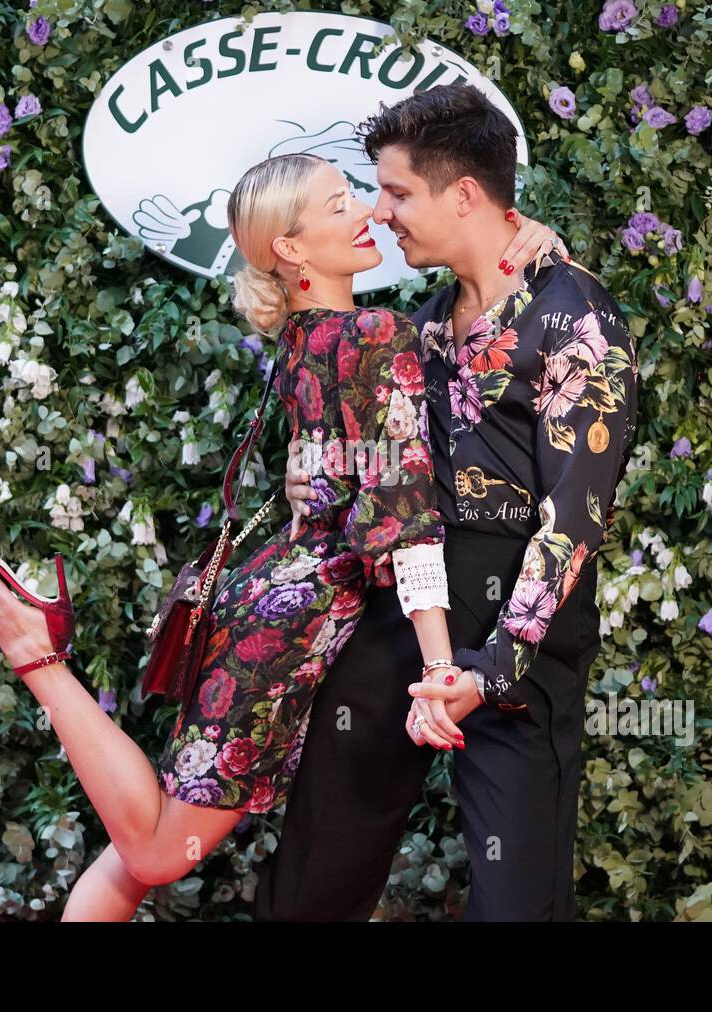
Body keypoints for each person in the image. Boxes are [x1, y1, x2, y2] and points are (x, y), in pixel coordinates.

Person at [0, 150, 565, 920]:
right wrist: (439, 665)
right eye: (340, 206)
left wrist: (523, 235)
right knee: (159, 851)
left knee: (138, 853)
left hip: (261, 598)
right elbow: (399, 508)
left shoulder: (303, 336)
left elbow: (336, 475)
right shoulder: (372, 332)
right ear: (291, 249)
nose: (366, 212)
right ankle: (37, 652)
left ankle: (38, 653)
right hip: (288, 627)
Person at [253, 84, 640, 922]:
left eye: (396, 193)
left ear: (463, 194)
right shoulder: (418, 328)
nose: (380, 214)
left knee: (517, 901)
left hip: (521, 642)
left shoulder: (577, 321)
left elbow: (573, 523)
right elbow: (383, 466)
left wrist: (491, 670)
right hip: (401, 609)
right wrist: (314, 468)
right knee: (318, 871)